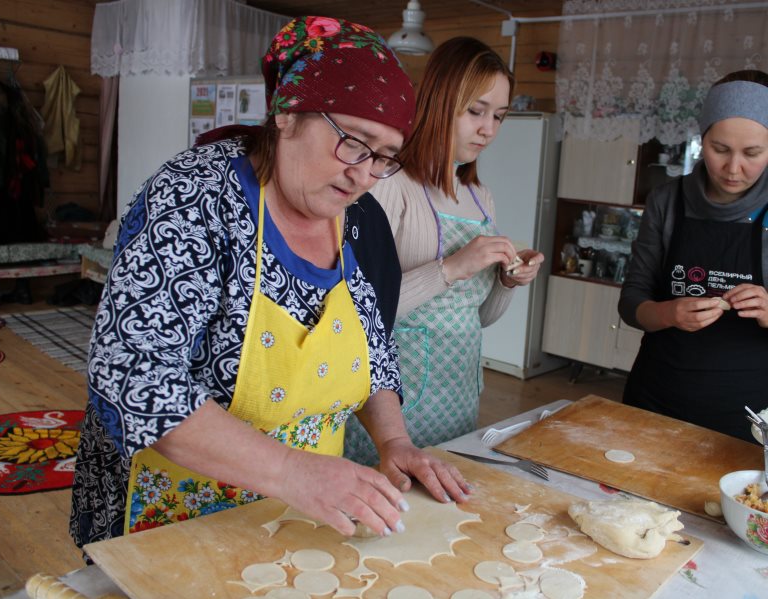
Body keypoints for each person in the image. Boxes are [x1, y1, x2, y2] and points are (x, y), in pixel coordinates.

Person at [69, 16, 470, 549]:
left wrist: (394, 440)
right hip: (166, 514)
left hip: (296, 516)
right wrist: (290, 471)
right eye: (353, 141)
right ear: (286, 114)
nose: (361, 173)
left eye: (384, 157)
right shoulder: (197, 197)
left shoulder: (358, 218)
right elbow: (133, 374)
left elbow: (372, 347)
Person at [345, 37, 544, 465]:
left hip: (458, 395)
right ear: (439, 102)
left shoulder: (479, 196)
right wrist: (452, 267)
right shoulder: (388, 185)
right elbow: (356, 312)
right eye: (475, 111)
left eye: (499, 116)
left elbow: (480, 317)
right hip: (395, 399)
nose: (488, 129)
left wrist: (508, 281)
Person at [619, 70, 768, 442]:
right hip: (656, 397)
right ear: (702, 140)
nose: (733, 169)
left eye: (752, 153)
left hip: (747, 415)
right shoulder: (667, 200)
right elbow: (631, 301)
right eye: (720, 150)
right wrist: (669, 313)